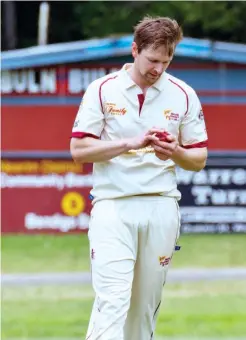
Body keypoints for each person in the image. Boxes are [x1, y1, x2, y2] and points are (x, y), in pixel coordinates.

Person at [70, 15, 208, 340]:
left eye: (166, 60)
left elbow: (198, 159)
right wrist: (129, 143)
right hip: (113, 206)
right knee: (113, 300)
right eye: (152, 60)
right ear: (135, 50)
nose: (158, 69)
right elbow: (78, 149)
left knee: (143, 309)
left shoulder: (183, 94)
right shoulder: (102, 90)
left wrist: (173, 151)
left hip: (161, 207)